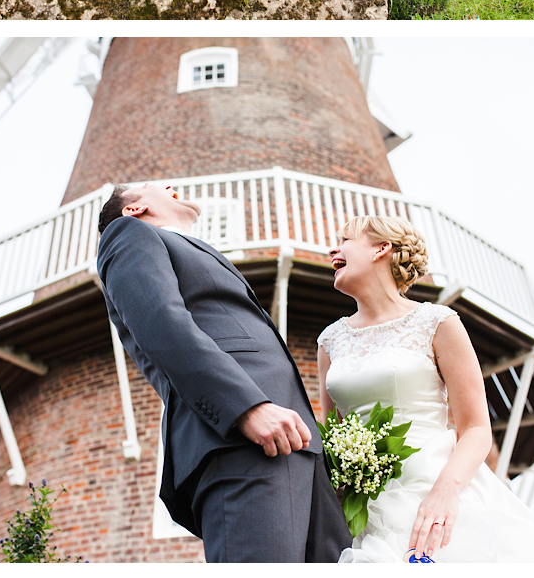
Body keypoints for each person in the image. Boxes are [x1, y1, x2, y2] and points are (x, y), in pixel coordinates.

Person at [95, 183, 348, 562]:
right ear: (134, 210)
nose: (169, 186)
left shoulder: (185, 247)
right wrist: (244, 407)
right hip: (240, 439)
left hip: (299, 445)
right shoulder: (128, 234)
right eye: (153, 186)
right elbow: (161, 323)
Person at [318, 216, 534, 563]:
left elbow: (475, 428)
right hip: (368, 507)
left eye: (346, 239)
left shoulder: (437, 323)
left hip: (436, 485)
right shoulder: (330, 341)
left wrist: (445, 493)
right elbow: (334, 435)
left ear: (382, 249)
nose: (332, 248)